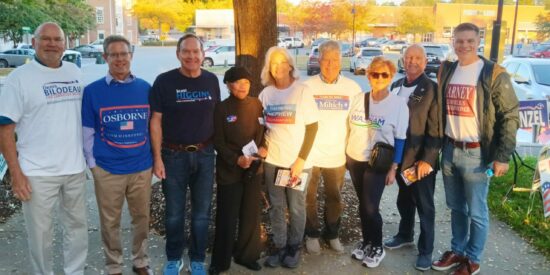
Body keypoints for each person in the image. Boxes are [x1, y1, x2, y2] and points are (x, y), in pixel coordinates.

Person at [0, 22, 88, 274]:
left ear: (65, 43)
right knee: (40, 234)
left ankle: (75, 271)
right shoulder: (19, 78)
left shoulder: (74, 72)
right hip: (37, 172)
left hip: (74, 168)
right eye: (45, 39)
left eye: (57, 39)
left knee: (77, 229)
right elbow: (5, 129)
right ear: (34, 43)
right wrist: (15, 174)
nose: (52, 44)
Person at [431, 23, 519, 275]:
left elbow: (510, 115)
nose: (464, 45)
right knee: (456, 207)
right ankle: (457, 250)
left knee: (477, 211)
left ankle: (473, 258)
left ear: (478, 41)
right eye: (459, 41)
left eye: (469, 41)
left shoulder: (492, 73)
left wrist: (501, 157)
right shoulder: (448, 70)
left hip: (477, 154)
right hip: (449, 149)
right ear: (453, 42)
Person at [149, 33, 221, 275]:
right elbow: (155, 121)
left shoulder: (212, 81)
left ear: (202, 54)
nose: (191, 56)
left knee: (202, 213)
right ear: (178, 54)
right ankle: (174, 258)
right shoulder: (164, 82)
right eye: (186, 51)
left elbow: (216, 118)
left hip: (204, 153)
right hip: (173, 155)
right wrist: (157, 158)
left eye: (195, 52)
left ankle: (197, 258)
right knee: (174, 213)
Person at [81, 35, 153, 275]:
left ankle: (140, 261)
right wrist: (94, 166)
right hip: (108, 169)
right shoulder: (93, 92)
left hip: (141, 167)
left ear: (130, 56)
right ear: (105, 58)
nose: (120, 59)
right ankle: (114, 265)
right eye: (114, 55)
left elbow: (153, 127)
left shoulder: (145, 88)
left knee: (141, 218)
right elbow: (87, 132)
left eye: (124, 54)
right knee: (109, 222)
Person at [259, 46, 319, 269]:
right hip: (273, 161)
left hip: (297, 163)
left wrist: (301, 160)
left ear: (290, 66)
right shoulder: (265, 94)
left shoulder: (302, 91)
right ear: (268, 68)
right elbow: (263, 128)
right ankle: (280, 246)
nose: (277, 68)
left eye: (282, 63)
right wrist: (263, 147)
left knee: (296, 207)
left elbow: (312, 128)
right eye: (273, 63)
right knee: (276, 206)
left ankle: (294, 247)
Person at [383, 44, 441, 271]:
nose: (412, 61)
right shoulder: (397, 85)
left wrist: (427, 159)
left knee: (425, 206)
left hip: (420, 161)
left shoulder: (431, 89)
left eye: (418, 58)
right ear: (403, 61)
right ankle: (405, 234)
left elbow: (436, 128)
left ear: (425, 62)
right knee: (404, 201)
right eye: (408, 57)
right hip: (400, 159)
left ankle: (426, 250)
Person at [347, 56, 409, 268]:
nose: (379, 78)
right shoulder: (358, 99)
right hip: (355, 158)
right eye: (375, 74)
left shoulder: (399, 104)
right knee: (362, 205)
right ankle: (366, 242)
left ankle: (378, 246)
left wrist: (394, 168)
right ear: (368, 75)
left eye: (385, 74)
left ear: (391, 77)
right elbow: (349, 128)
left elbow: (401, 138)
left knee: (371, 207)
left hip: (379, 163)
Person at [303, 40, 361, 255]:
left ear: (340, 61)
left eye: (334, 60)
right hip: (310, 155)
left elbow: (358, 123)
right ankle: (312, 234)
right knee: (308, 197)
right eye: (325, 59)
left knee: (334, 197)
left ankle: (333, 233)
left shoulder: (352, 88)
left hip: (337, 155)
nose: (330, 64)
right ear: (318, 61)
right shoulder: (306, 86)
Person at [209, 67, 266, 274]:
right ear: (228, 85)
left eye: (246, 82)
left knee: (251, 215)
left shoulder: (257, 104)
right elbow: (218, 141)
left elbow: (264, 130)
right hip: (230, 170)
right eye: (237, 82)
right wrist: (236, 159)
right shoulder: (221, 108)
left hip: (254, 169)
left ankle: (247, 255)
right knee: (227, 216)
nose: (242, 86)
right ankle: (220, 261)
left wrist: (264, 147)